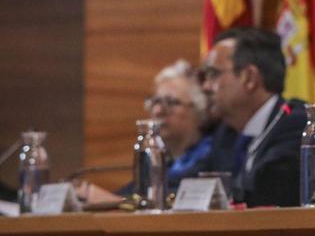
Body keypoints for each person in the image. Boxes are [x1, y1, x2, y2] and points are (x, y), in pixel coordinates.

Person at [75, 59, 217, 205]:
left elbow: (176, 204)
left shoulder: (212, 156)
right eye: (155, 101)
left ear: (199, 110)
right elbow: (133, 194)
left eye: (171, 102)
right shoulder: (161, 159)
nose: (158, 111)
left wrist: (115, 202)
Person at [198, 27, 307, 207]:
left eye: (213, 75)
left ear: (249, 78)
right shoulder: (226, 134)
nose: (206, 86)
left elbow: (269, 192)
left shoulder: (297, 125)